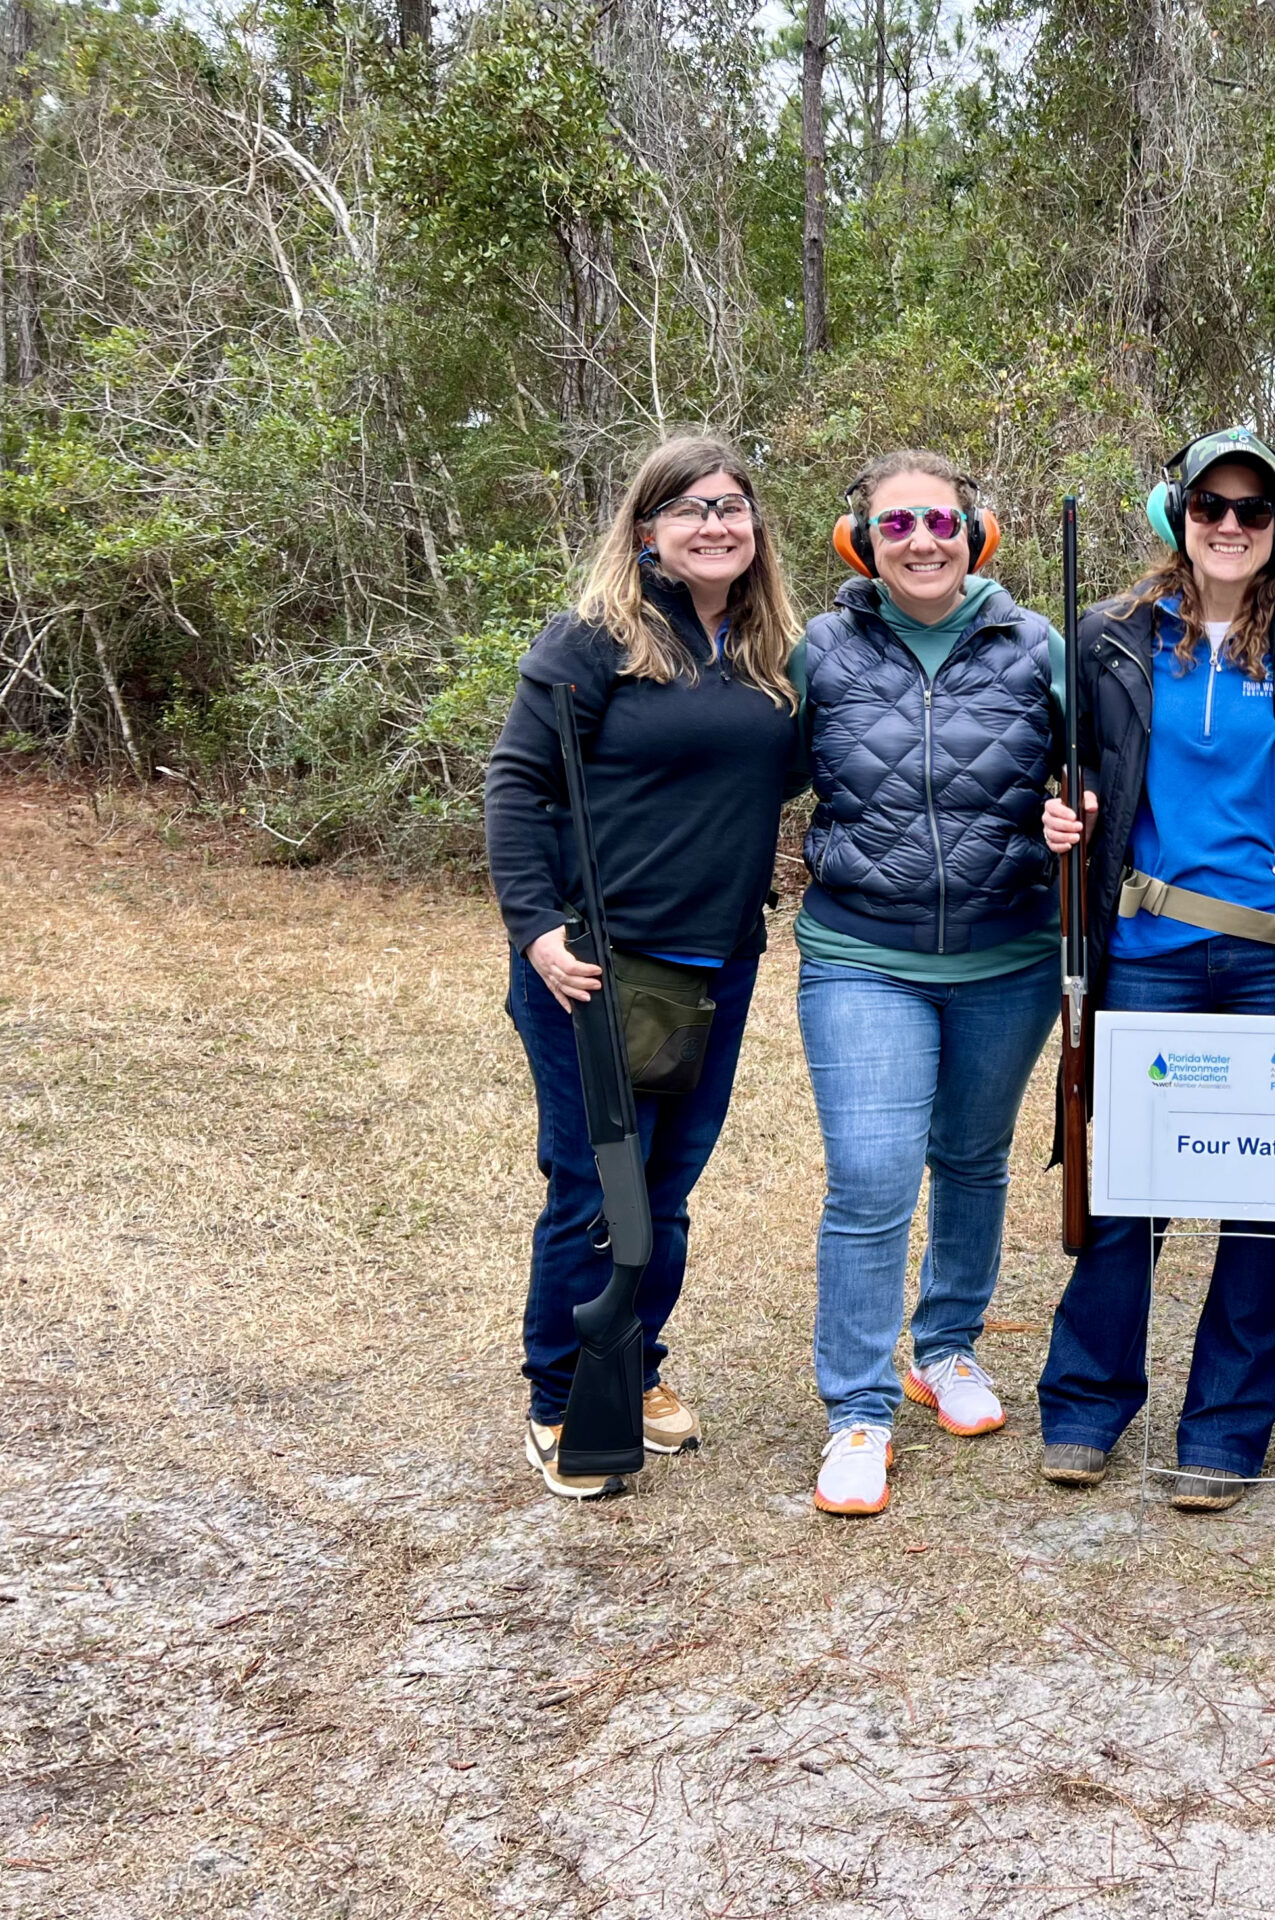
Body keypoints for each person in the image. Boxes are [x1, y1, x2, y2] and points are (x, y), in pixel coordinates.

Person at [1036, 428, 1275, 1510]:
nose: (1230, 526)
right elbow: (1066, 769)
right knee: (1127, 1197)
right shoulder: (1110, 636)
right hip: (1147, 952)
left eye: (1252, 510)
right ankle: (1085, 1409)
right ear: (1175, 514)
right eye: (1209, 507)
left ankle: (1225, 1430)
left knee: (1259, 1204)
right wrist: (1055, 811)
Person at [485, 434, 806, 1499]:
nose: (715, 524)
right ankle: (561, 1396)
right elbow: (515, 788)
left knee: (663, 1191)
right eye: (690, 508)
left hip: (717, 964)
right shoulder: (593, 641)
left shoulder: (771, 655)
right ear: (647, 531)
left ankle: (635, 1363)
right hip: (599, 967)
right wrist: (539, 931)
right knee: (595, 1188)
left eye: (731, 506)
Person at [795, 452, 1066, 1519]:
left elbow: (1104, 770)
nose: (921, 539)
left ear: (978, 533)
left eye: (941, 521)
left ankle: (944, 1345)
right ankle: (858, 1410)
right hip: (864, 953)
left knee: (971, 1159)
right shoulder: (819, 650)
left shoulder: (1036, 645)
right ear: (861, 541)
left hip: (1010, 957)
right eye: (896, 523)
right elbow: (739, 767)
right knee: (869, 1178)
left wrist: (1074, 817)